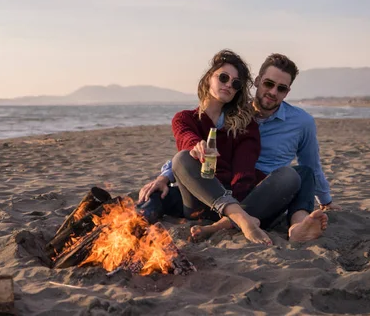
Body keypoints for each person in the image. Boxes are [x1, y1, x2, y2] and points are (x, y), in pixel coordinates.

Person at [138, 53, 336, 243]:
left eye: (281, 88)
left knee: (299, 174)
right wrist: (164, 176)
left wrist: (325, 200)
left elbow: (310, 164)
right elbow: (186, 146)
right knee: (160, 187)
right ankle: (236, 218)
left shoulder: (297, 122)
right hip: (211, 192)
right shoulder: (234, 116)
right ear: (257, 81)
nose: (273, 92)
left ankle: (296, 226)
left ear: (287, 92)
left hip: (263, 192)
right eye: (269, 84)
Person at [161, 49, 272, 245]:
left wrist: (235, 202)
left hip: (235, 199)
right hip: (200, 203)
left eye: (235, 83)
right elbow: (185, 137)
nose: (229, 84)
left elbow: (243, 169)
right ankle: (241, 219)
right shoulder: (184, 118)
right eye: (223, 77)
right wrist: (196, 147)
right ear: (208, 79)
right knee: (182, 158)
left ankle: (227, 221)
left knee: (290, 176)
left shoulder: (244, 124)